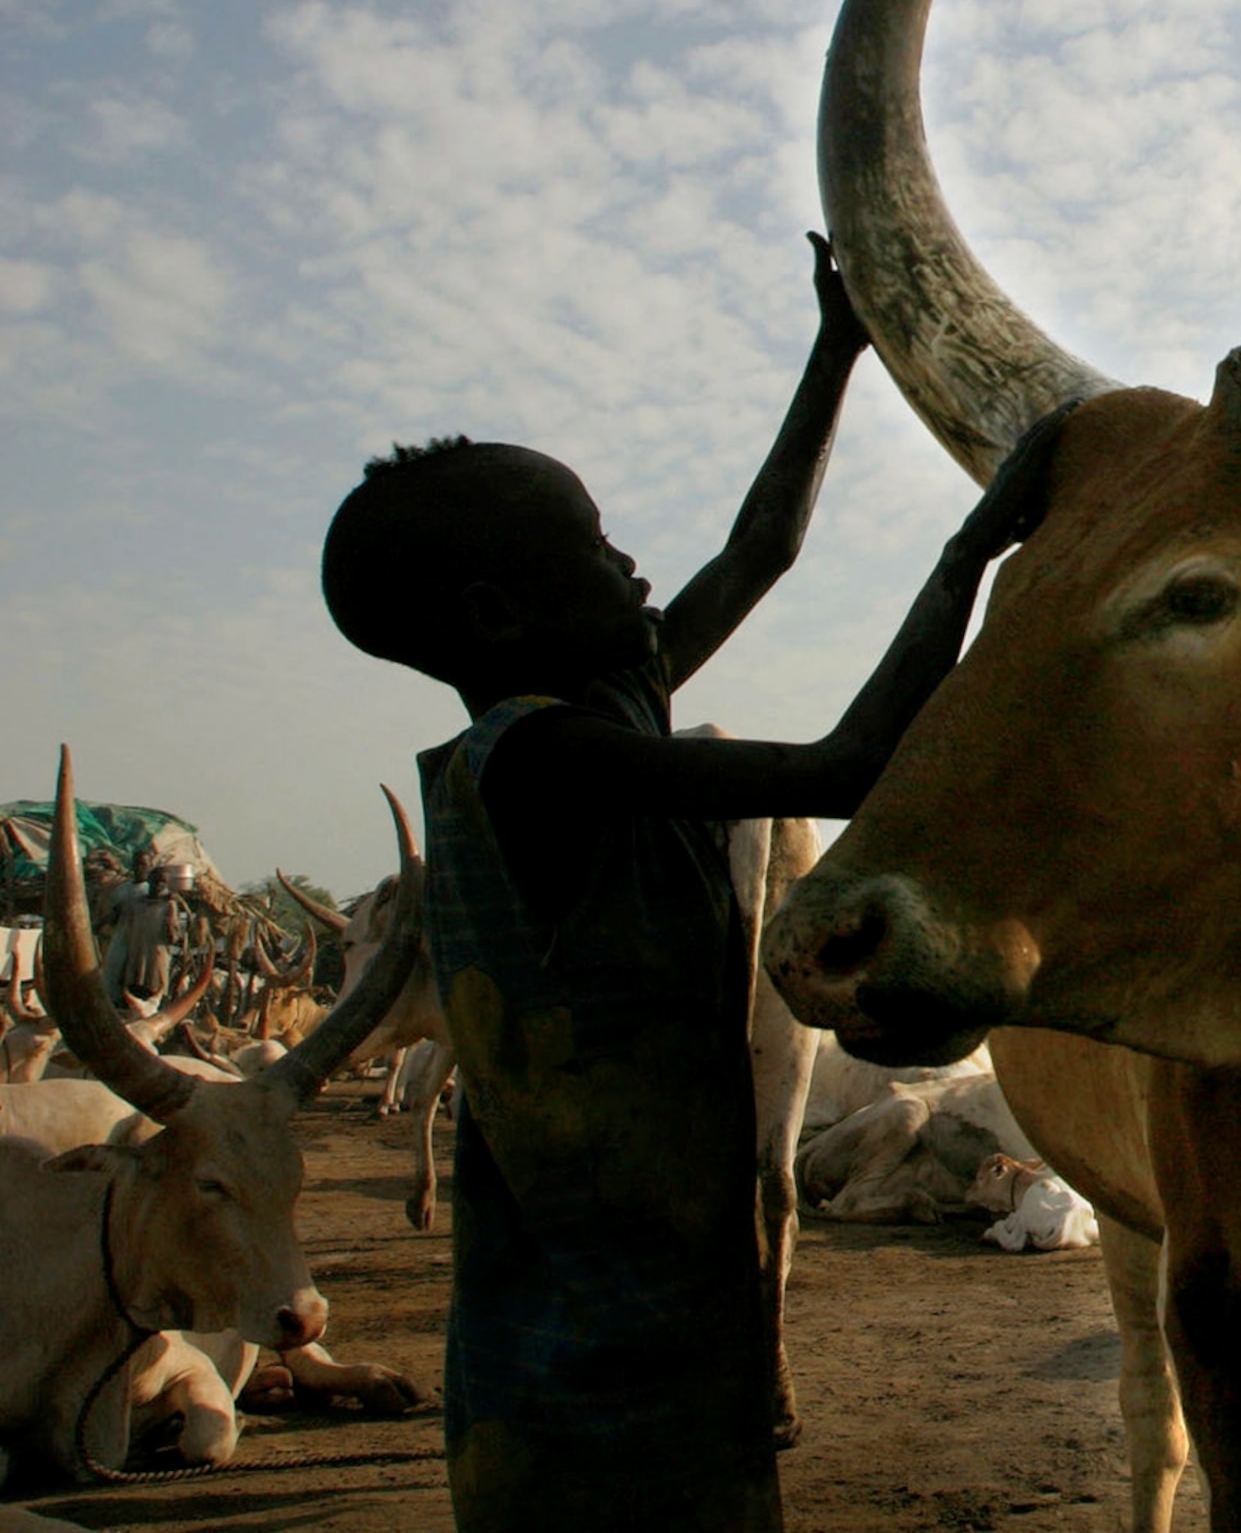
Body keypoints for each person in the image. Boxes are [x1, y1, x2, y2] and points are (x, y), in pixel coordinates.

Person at [319, 236, 1064, 1533]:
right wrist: (969, 556)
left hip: (665, 1310)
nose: (636, 571)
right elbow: (846, 766)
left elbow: (759, 551)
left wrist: (835, 352)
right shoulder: (541, 764)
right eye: (598, 550)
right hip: (579, 1374)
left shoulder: (596, 709)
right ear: (501, 615)